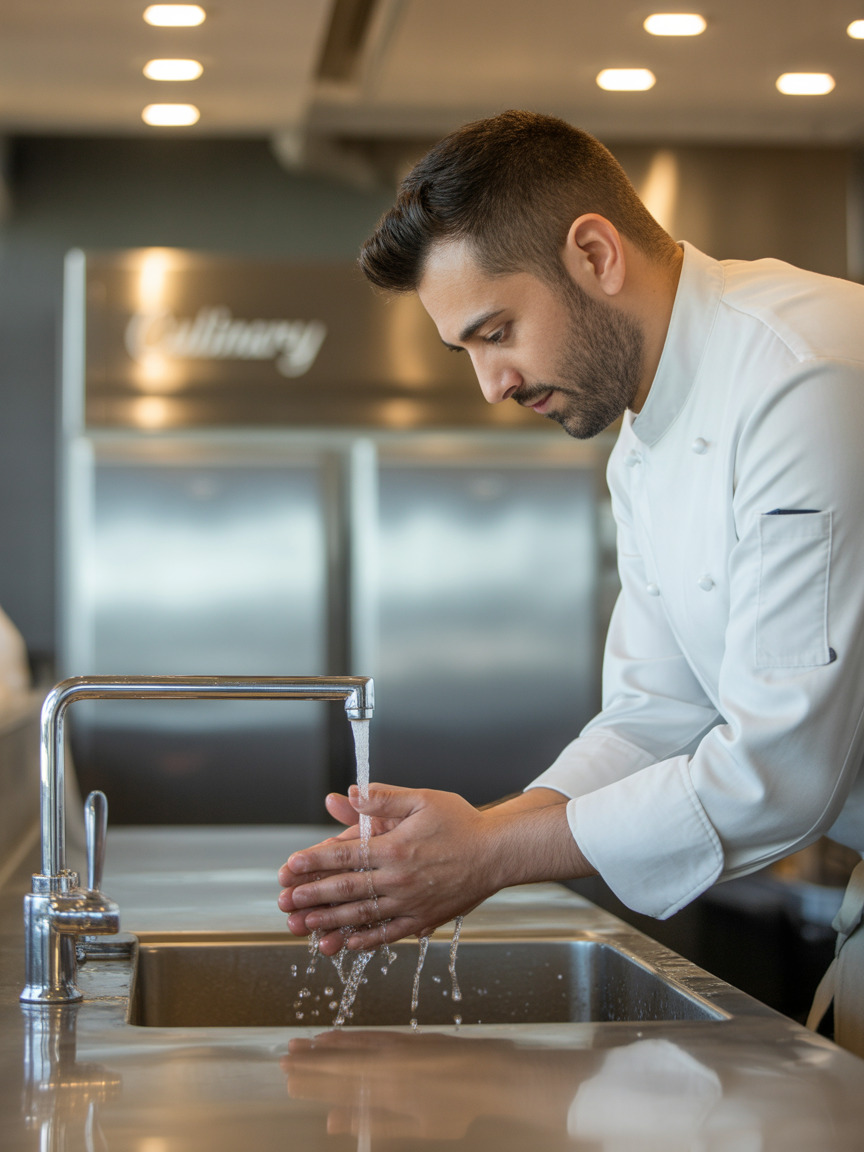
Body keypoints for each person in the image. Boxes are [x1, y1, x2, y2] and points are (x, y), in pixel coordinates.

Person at [278, 110, 864, 1054]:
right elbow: (649, 719)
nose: (491, 385)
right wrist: (474, 835)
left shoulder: (803, 376)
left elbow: (779, 768)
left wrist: (490, 858)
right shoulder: (642, 445)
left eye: (497, 331)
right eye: (466, 349)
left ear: (594, 254)